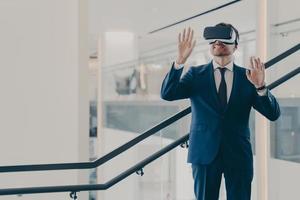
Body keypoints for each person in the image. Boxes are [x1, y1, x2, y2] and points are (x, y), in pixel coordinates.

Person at [160, 23, 280, 200]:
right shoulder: (195, 74)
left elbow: (273, 114)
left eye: (224, 38)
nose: (218, 42)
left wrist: (260, 87)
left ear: (236, 45)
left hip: (238, 154)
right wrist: (180, 61)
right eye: (213, 39)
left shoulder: (249, 76)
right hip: (204, 153)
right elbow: (168, 94)